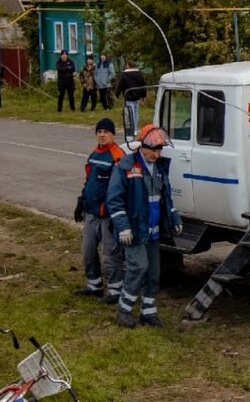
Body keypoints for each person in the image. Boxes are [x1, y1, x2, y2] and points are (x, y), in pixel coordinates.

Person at [106, 125, 182, 327]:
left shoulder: (159, 168)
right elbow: (114, 200)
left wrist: (174, 218)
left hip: (153, 232)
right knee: (138, 267)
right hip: (134, 232)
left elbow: (165, 197)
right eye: (154, 150)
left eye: (160, 150)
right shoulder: (125, 166)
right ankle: (124, 310)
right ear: (142, 147)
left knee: (153, 273)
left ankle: (148, 312)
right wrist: (123, 227)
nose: (157, 154)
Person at [73, 117, 125, 302]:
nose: (102, 135)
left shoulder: (117, 156)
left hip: (108, 216)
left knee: (110, 254)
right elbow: (89, 180)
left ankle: (115, 290)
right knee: (88, 250)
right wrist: (81, 201)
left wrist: (109, 209)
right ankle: (94, 284)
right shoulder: (94, 154)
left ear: (113, 134)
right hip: (91, 212)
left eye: (106, 132)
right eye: (99, 131)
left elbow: (119, 188)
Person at [114, 60, 147, 142]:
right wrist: (143, 96)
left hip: (128, 97)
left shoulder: (124, 75)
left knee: (130, 114)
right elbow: (143, 84)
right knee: (136, 113)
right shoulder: (139, 74)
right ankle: (135, 129)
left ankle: (131, 130)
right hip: (137, 97)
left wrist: (117, 94)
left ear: (128, 65)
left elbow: (120, 85)